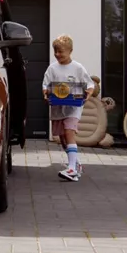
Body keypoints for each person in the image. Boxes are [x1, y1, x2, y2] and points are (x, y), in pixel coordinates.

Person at [42, 34, 94, 182]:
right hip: (58, 108)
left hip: (73, 108)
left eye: (61, 51)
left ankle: (71, 168)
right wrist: (46, 94)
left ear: (70, 51)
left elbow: (90, 84)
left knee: (69, 132)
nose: (57, 54)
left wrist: (88, 95)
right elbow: (45, 85)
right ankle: (76, 164)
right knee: (63, 139)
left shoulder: (78, 68)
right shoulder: (52, 68)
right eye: (55, 51)